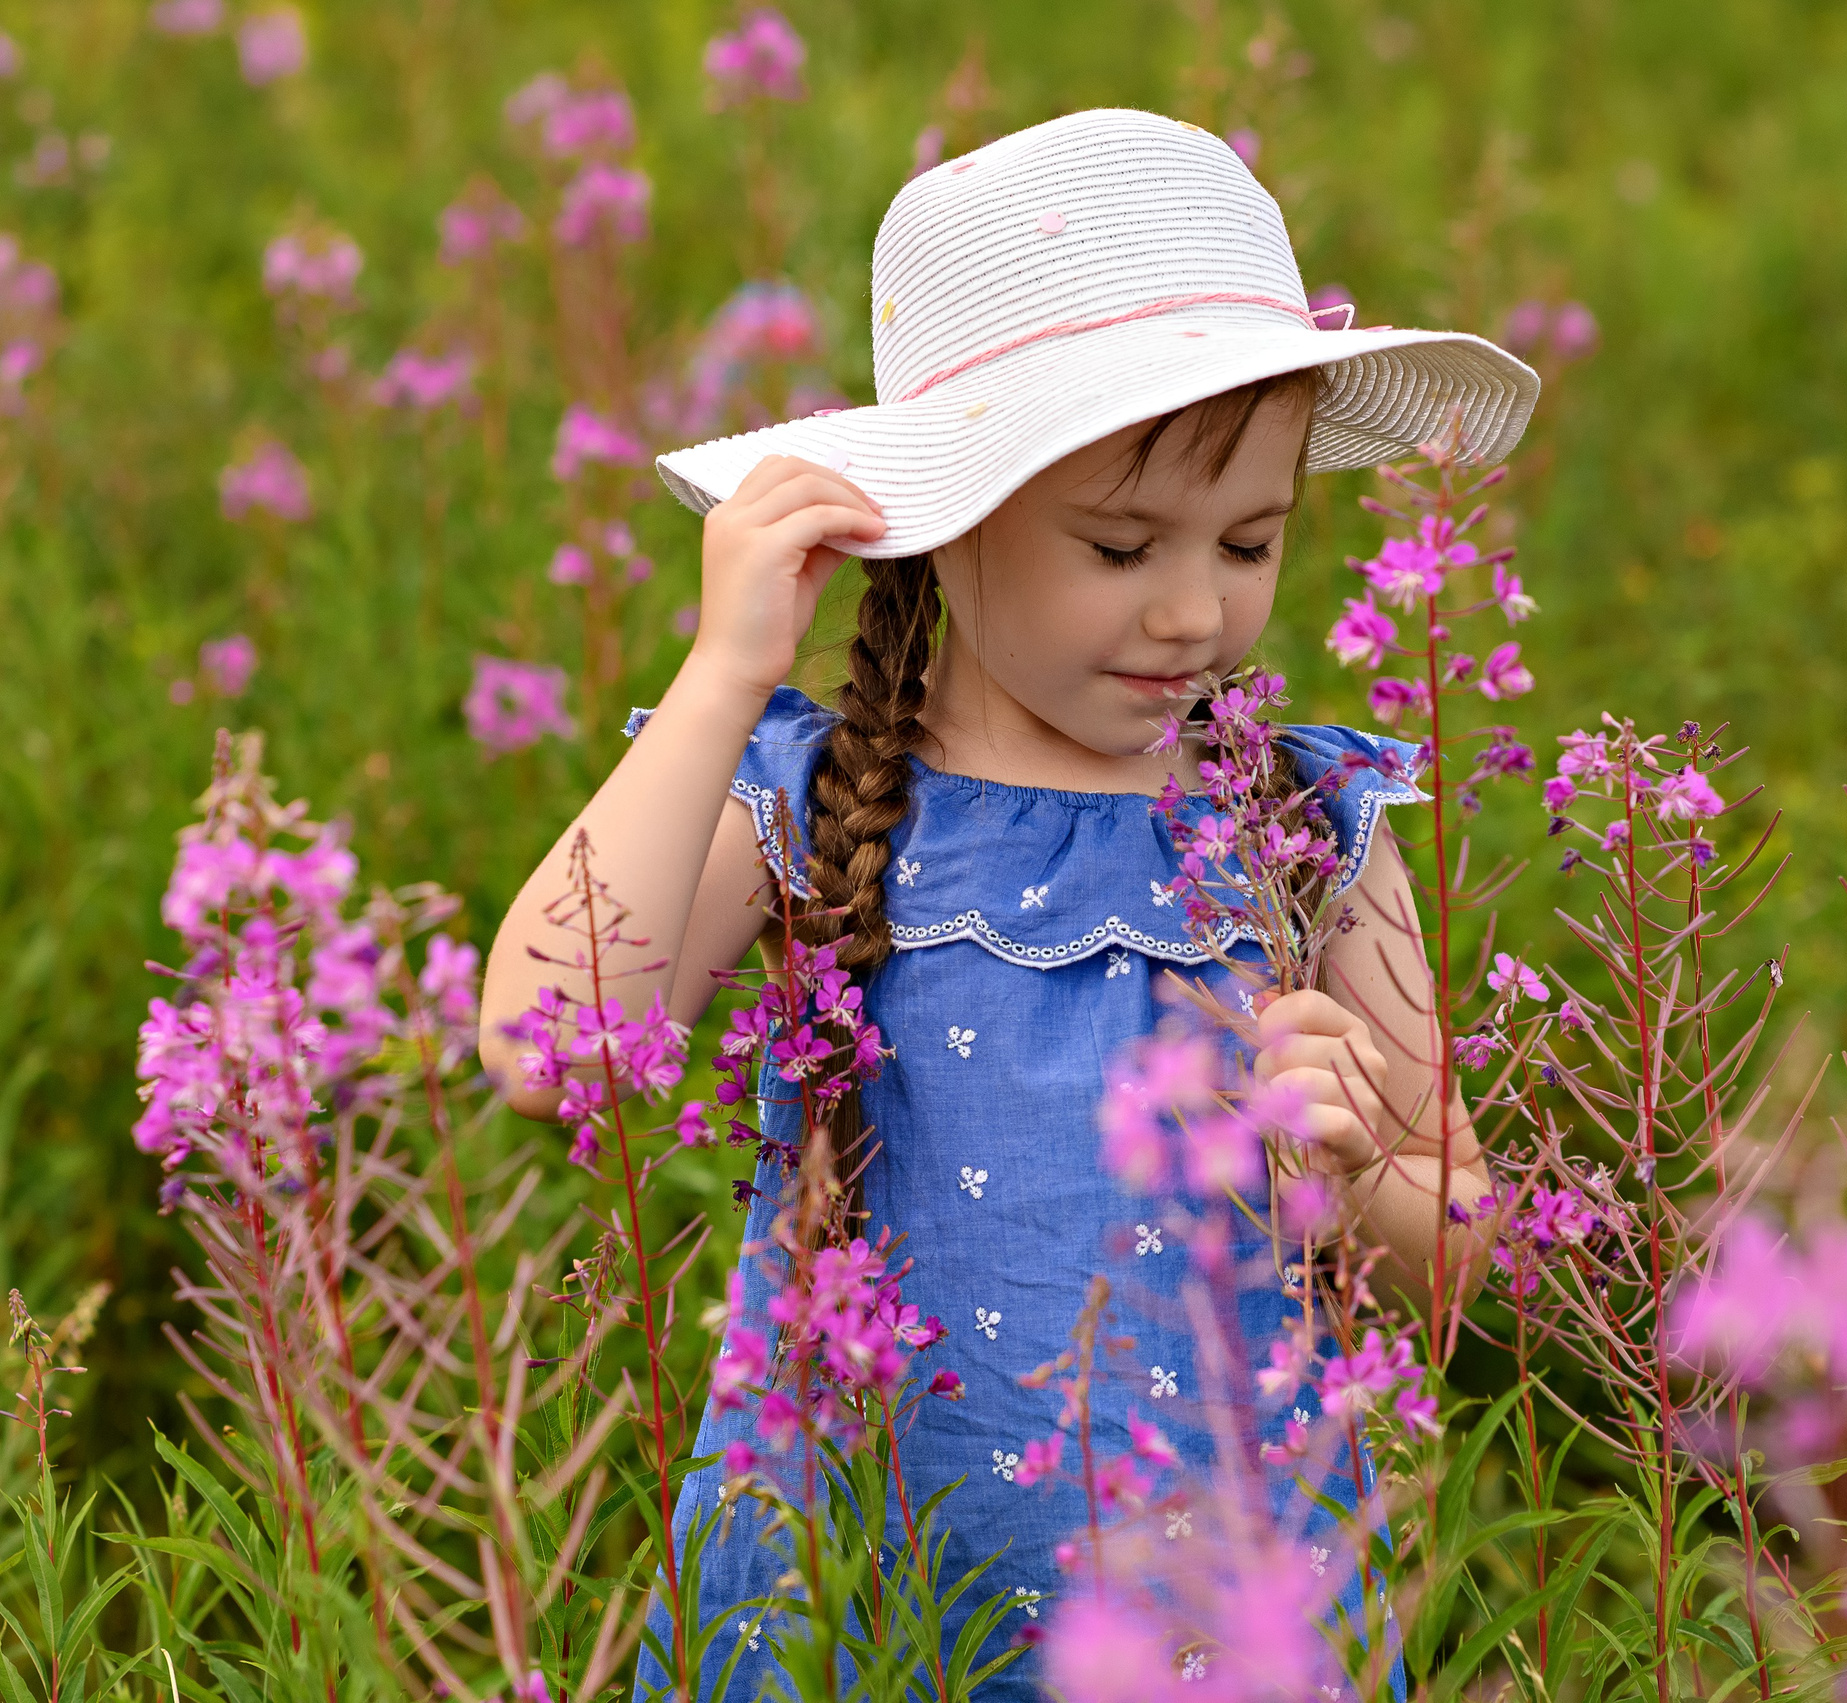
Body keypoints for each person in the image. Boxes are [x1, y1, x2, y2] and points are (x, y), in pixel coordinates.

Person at [480, 106, 1537, 1700]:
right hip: (862, 1601)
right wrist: (724, 674)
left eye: (1252, 541)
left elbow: (1464, 1268)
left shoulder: (1306, 825)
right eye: (1120, 547)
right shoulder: (811, 792)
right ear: (948, 511)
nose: (1196, 611)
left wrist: (1364, 1167)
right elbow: (545, 1046)